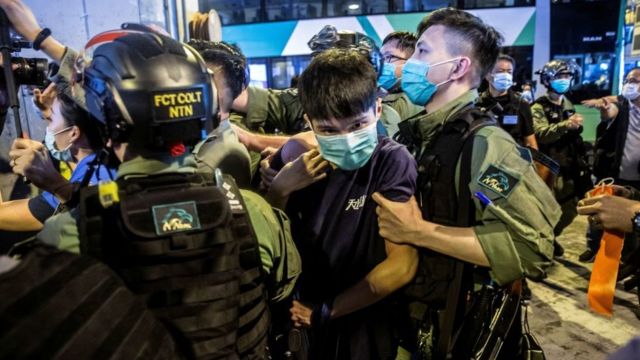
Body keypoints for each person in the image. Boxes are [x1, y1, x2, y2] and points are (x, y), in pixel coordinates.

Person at [372, 8, 560, 358]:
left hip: (452, 329)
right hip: (410, 319)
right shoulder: (422, 133)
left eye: (424, 52)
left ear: (458, 68)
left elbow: (531, 248)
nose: (411, 62)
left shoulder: (487, 144)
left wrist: (418, 232)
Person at [266, 48, 418, 359]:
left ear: (377, 109)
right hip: (301, 320)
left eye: (358, 125)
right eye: (329, 131)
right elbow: (274, 244)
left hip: (364, 323)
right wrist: (280, 189)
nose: (346, 139)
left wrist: (324, 311)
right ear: (309, 122)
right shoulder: (299, 160)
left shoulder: (391, 161)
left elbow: (402, 265)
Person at [1, 91, 115, 235]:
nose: (49, 128)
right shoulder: (105, 164)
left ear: (73, 133)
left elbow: (1, 215)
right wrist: (49, 112)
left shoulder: (79, 187)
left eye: (52, 119)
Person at [577, 68, 640, 262]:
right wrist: (604, 108)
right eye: (628, 80)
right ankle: (593, 247)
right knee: (600, 211)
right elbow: (609, 112)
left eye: (636, 80)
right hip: (613, 173)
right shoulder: (621, 105)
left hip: (637, 179)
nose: (631, 84)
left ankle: (628, 255)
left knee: (631, 218)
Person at [531, 59, 590, 257]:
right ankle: (541, 247)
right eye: (560, 76)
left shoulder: (568, 104)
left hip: (570, 164)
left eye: (567, 76)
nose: (565, 80)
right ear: (548, 79)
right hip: (549, 166)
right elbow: (540, 134)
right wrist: (565, 125)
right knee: (548, 209)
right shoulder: (538, 107)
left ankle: (551, 237)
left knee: (571, 208)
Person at [476, 54, 538, 149]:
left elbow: (530, 141)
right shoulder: (477, 103)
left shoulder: (521, 104)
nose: (506, 75)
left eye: (509, 72)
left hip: (512, 159)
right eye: (500, 71)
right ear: (488, 75)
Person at [378, 31, 423, 125]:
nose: (381, 63)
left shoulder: (408, 102)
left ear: (410, 64)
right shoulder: (381, 95)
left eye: (388, 57)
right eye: (380, 58)